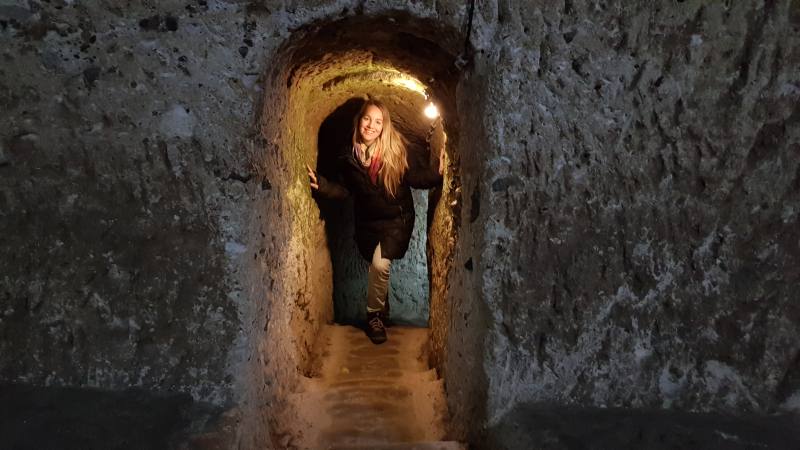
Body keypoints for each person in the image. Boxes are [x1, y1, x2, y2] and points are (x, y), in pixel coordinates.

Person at [307, 98, 444, 344]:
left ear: (384, 126)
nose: (371, 125)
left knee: (380, 265)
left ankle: (374, 317)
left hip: (397, 221)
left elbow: (416, 178)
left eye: (378, 122)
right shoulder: (348, 156)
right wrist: (323, 186)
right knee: (377, 268)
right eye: (367, 119)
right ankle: (383, 309)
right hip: (367, 223)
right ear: (359, 121)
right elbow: (345, 191)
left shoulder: (397, 150)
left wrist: (438, 173)